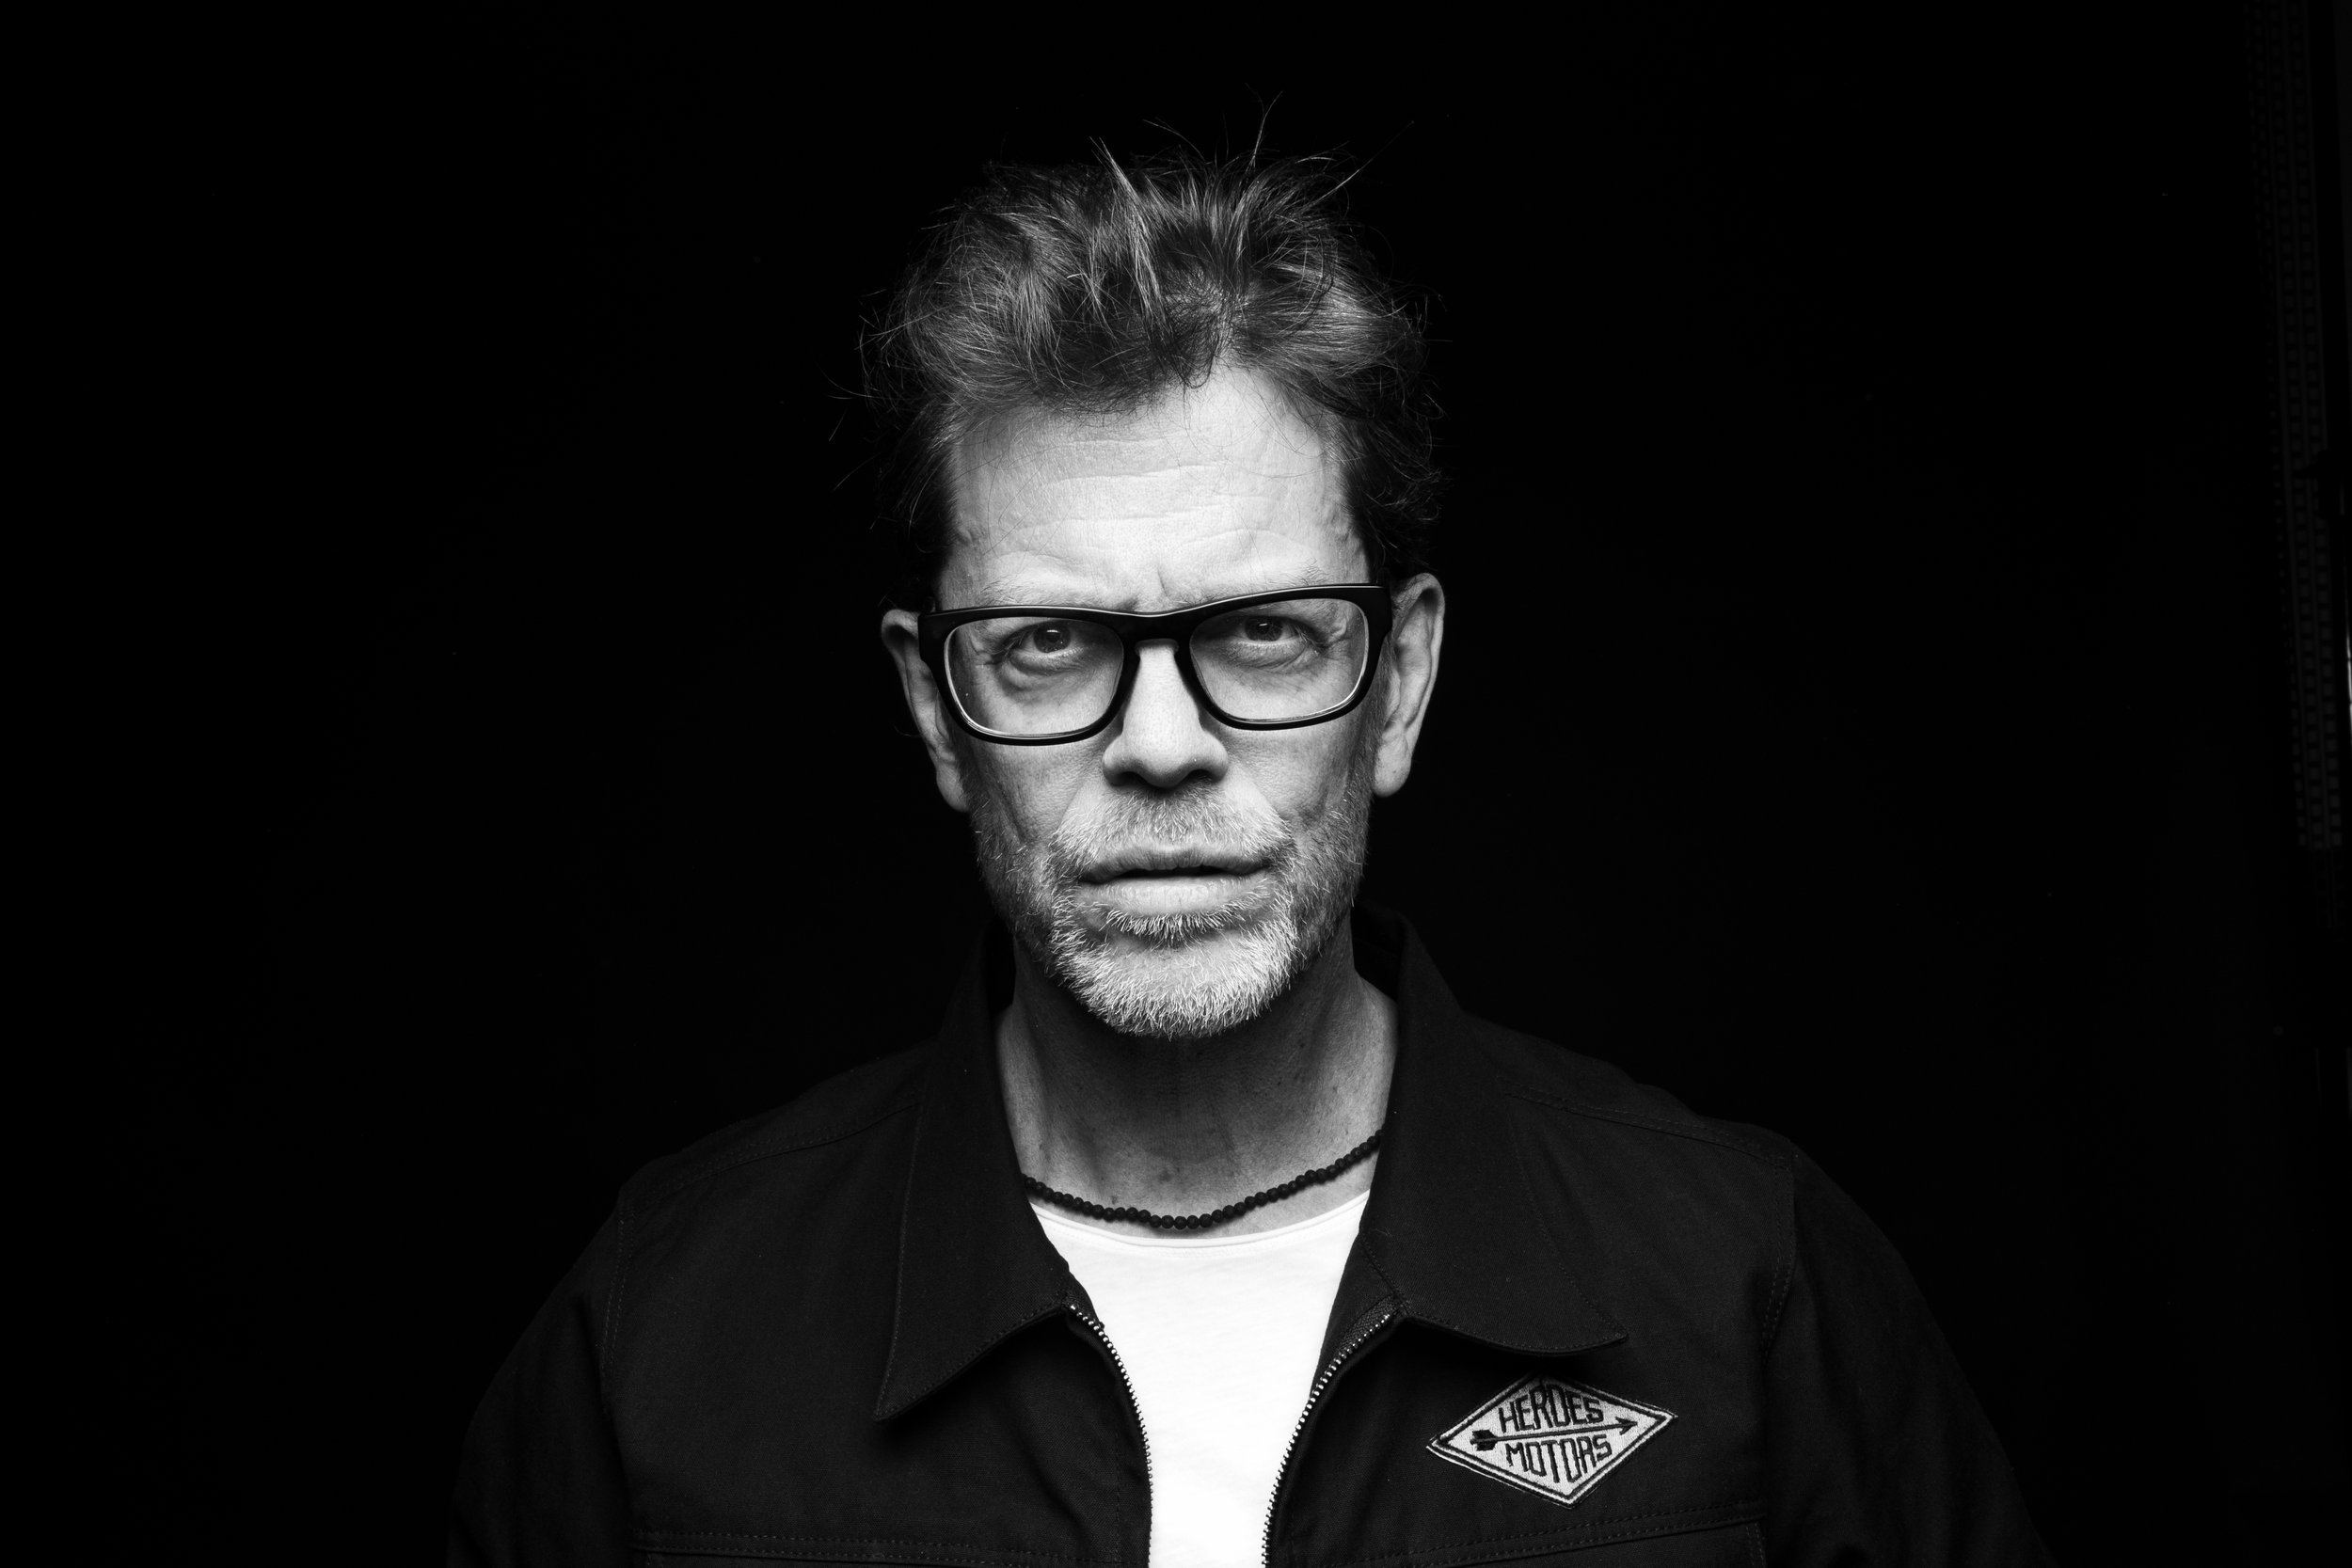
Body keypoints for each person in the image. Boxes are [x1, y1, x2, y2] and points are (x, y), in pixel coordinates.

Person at [450, 150, 2051, 1567]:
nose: (1161, 742)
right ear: (937, 713)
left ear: (1400, 683)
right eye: (1049, 642)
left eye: (1266, 632)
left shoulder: (1746, 1282)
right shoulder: (661, 1329)